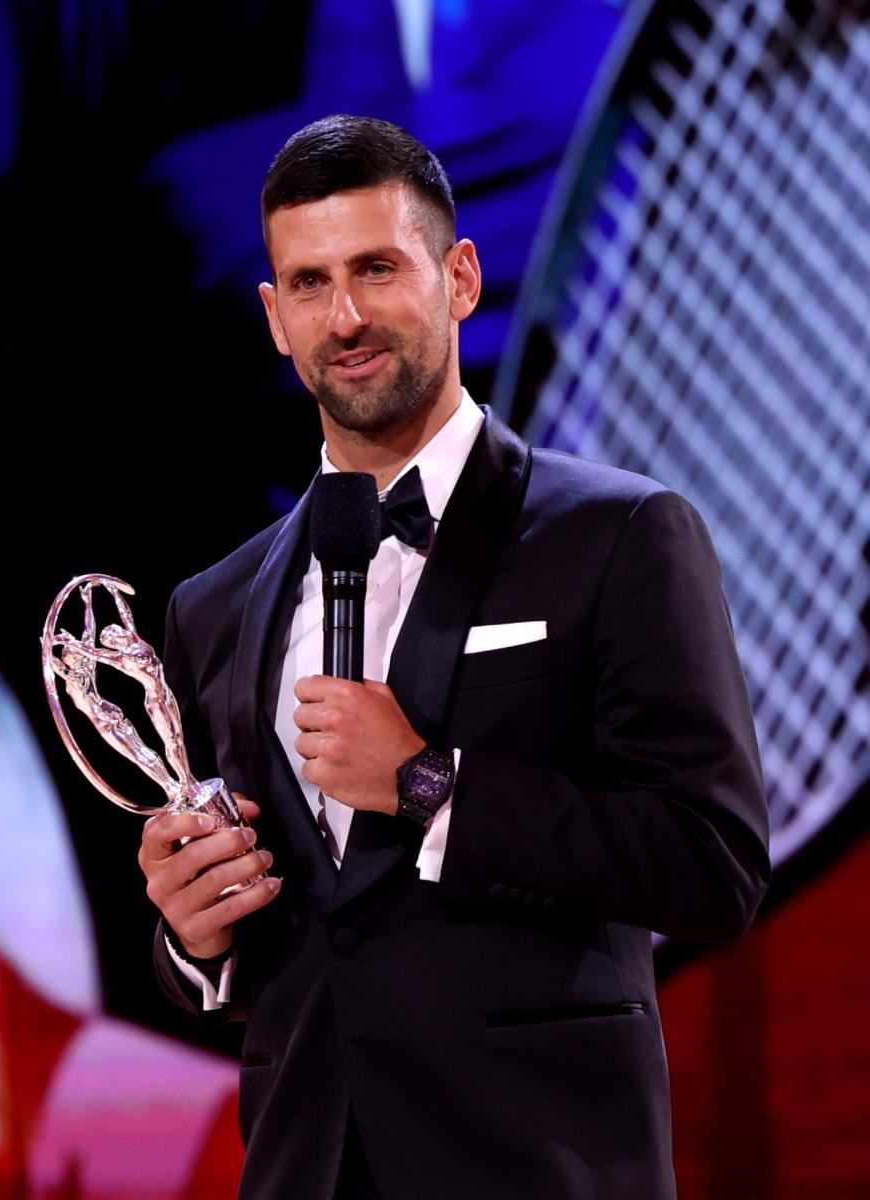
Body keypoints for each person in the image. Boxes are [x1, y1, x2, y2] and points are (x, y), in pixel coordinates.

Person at [138, 114, 770, 1200]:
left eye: (378, 269)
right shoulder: (213, 606)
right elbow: (292, 946)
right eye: (309, 283)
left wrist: (429, 784)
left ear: (461, 277)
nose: (346, 317)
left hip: (541, 1168)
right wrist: (193, 936)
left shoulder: (618, 537)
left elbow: (712, 863)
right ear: (274, 320)